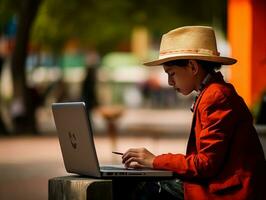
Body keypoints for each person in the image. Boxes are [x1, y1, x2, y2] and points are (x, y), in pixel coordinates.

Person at [120, 26, 266, 200]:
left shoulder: (216, 96)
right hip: (219, 186)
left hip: (230, 194)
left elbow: (205, 164)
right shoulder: (213, 92)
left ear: (192, 66)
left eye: (171, 73)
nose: (169, 82)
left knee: (140, 189)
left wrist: (154, 160)